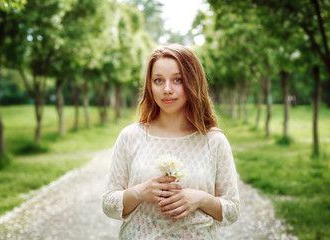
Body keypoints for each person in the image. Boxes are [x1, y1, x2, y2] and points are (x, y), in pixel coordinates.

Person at [102, 44, 239, 239]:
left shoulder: (214, 141)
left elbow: (232, 210)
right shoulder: (130, 137)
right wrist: (139, 192)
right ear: (149, 85)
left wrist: (200, 199)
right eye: (158, 80)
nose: (167, 89)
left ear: (193, 82)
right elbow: (108, 204)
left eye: (177, 80)